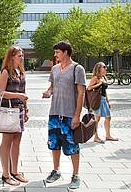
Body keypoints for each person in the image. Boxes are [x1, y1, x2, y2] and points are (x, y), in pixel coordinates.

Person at [42, 41, 86, 190]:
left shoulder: (77, 69)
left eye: (57, 52)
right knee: (54, 144)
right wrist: (48, 92)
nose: (55, 55)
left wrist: (76, 115)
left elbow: (81, 93)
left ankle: (75, 174)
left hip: (69, 114)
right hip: (54, 112)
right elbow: (52, 87)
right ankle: (56, 170)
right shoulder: (54, 69)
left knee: (72, 146)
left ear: (66, 52)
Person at [0, 46, 29, 186]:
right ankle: (6, 174)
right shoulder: (6, 72)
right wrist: (18, 95)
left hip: (20, 109)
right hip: (8, 109)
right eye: (18, 55)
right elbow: (1, 93)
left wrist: (26, 109)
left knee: (17, 141)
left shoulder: (21, 72)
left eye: (22, 55)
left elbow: (24, 92)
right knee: (7, 141)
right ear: (11, 57)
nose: (21, 58)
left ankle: (15, 172)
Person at [87, 62, 118, 143]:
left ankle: (108, 135)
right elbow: (89, 88)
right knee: (97, 119)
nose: (105, 68)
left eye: (105, 67)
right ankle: (95, 137)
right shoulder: (95, 78)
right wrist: (98, 84)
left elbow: (104, 91)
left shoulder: (103, 77)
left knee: (108, 117)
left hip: (104, 100)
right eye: (104, 67)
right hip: (98, 100)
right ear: (99, 68)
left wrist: (108, 101)